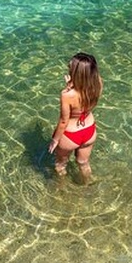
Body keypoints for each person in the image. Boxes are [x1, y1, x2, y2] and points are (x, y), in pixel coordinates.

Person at [48, 52, 103, 183]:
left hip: (70, 135)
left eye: (71, 68)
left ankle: (61, 192)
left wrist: (55, 140)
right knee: (83, 163)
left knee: (60, 165)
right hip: (89, 131)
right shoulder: (98, 84)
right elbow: (84, 94)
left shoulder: (67, 95)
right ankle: (88, 185)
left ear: (76, 73)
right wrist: (74, 84)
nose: (69, 68)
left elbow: (63, 121)